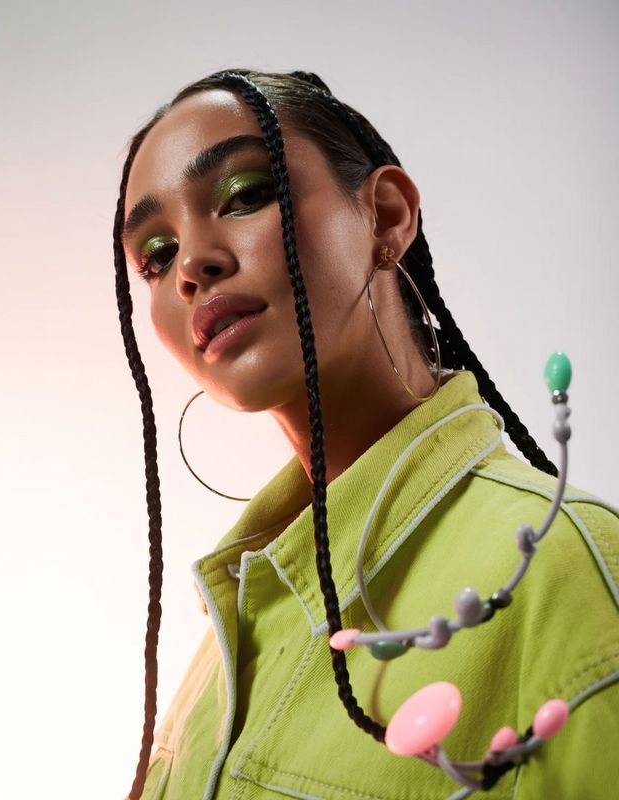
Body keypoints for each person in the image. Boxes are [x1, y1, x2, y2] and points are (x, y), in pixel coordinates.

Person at [113, 70, 619, 800]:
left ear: (385, 216)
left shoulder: (565, 571)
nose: (190, 266)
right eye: (155, 256)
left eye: (245, 194)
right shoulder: (235, 627)